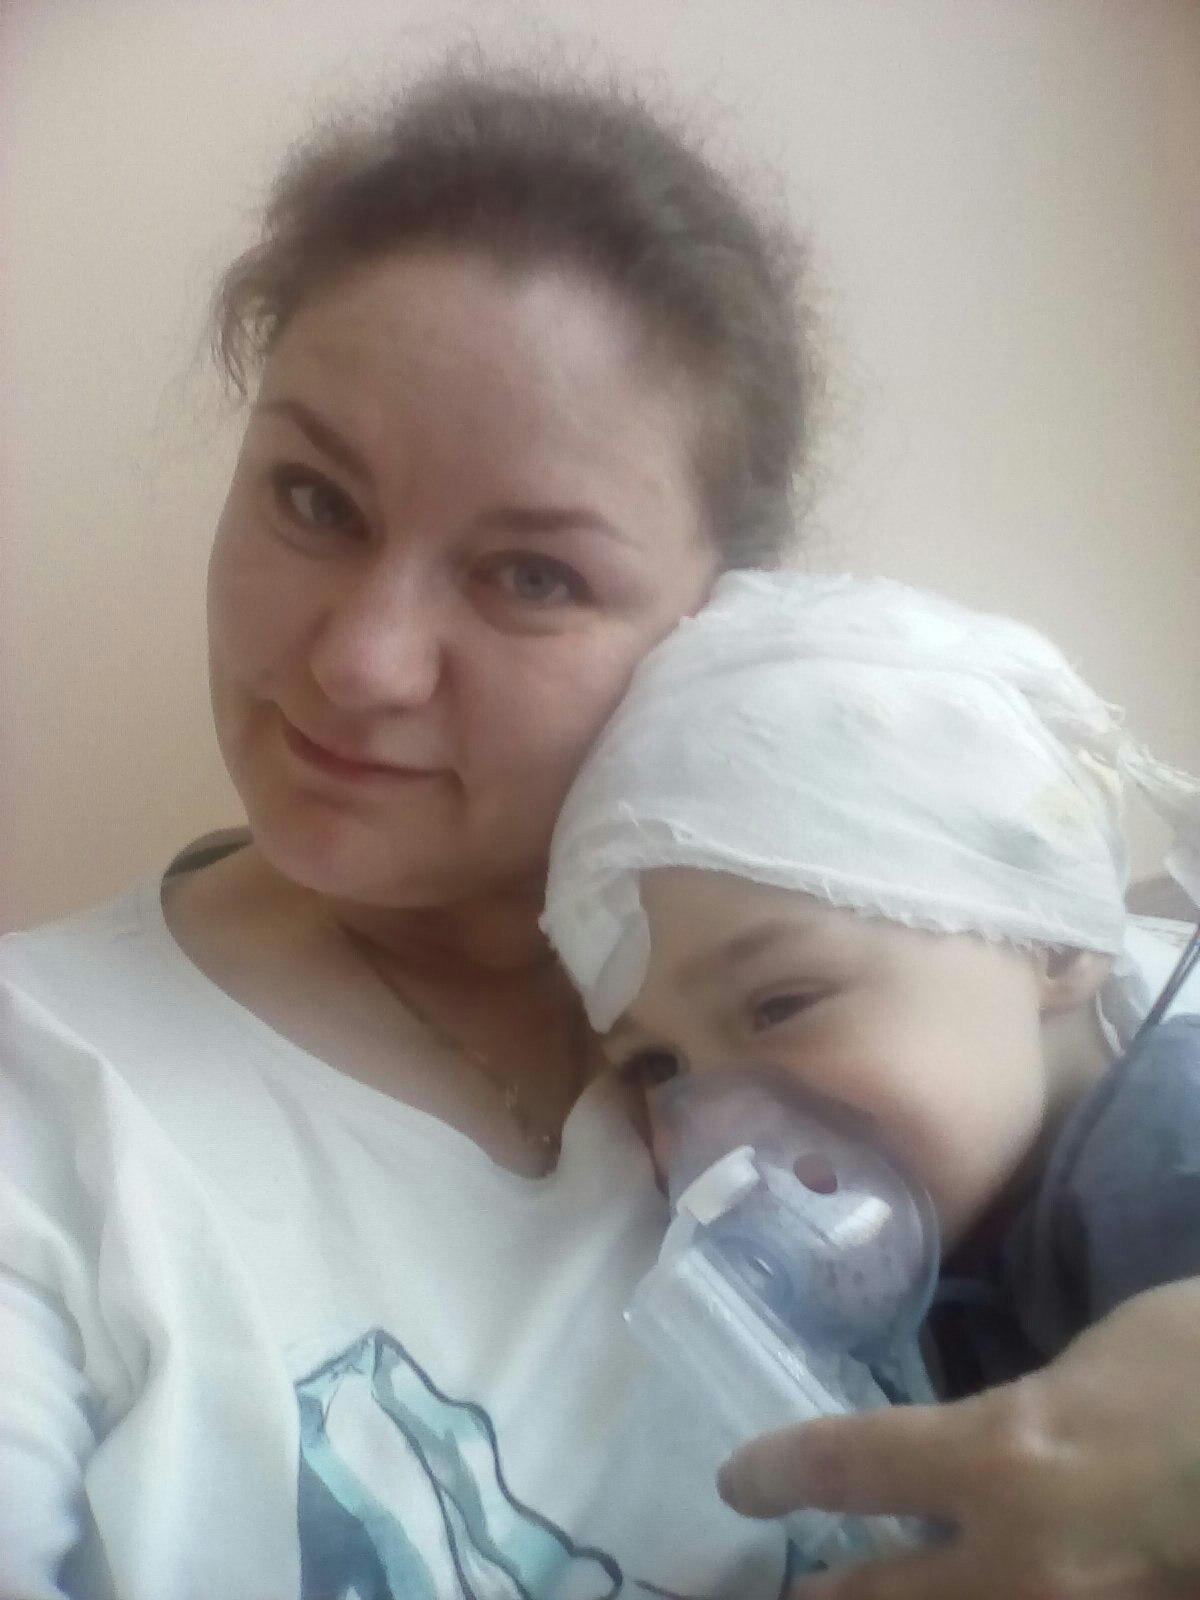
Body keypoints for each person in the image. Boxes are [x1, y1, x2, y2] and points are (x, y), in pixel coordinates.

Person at [1, 62, 1197, 1600]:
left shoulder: (910, 975)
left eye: (533, 576)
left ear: (716, 624)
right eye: (315, 499)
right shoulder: (47, 1109)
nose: (362, 662)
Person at [541, 568, 1200, 1596]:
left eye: (781, 1003)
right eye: (656, 1065)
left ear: (1054, 938)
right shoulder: (951, 1223)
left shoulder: (1163, 1160)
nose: (723, 1130)